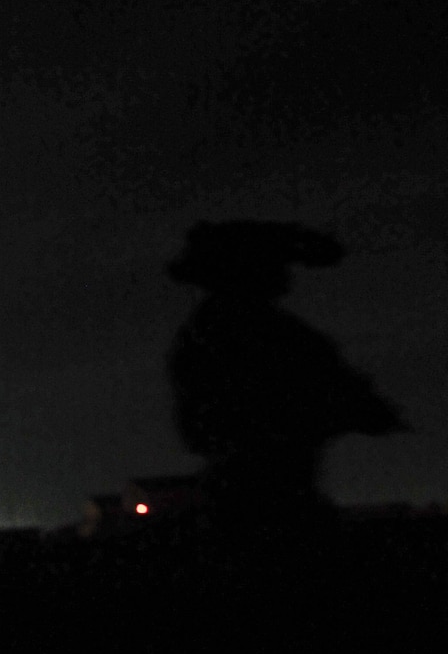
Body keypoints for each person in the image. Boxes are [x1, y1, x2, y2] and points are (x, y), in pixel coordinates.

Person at [167, 220, 405, 524]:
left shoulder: (209, 331)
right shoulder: (263, 333)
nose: (284, 274)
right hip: (271, 496)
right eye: (271, 263)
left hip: (246, 492)